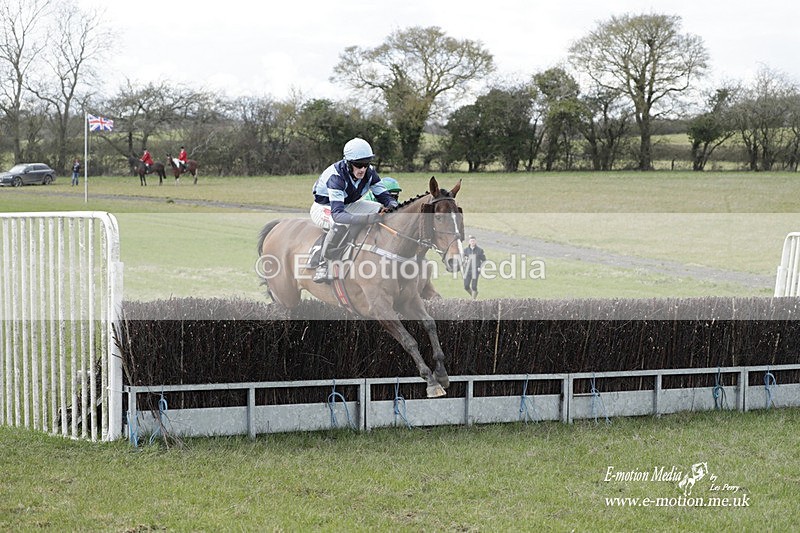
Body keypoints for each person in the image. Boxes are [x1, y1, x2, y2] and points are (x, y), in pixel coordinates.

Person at [310, 137, 398, 282]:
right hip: (324, 207)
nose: (362, 169)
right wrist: (367, 219)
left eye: (366, 164)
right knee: (340, 224)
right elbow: (338, 215)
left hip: (347, 205)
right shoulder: (336, 177)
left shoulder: (370, 173)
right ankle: (323, 264)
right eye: (358, 165)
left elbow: (385, 198)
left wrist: (394, 206)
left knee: (381, 210)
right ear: (348, 163)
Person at [462, 235, 486, 299]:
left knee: (474, 286)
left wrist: (480, 267)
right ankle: (474, 295)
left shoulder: (480, 250)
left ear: (475, 242)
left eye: (473, 241)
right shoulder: (465, 250)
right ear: (469, 242)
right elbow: (463, 259)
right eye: (471, 241)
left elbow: (484, 260)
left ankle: (473, 300)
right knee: (466, 286)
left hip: (475, 270)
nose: (472, 242)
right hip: (467, 270)